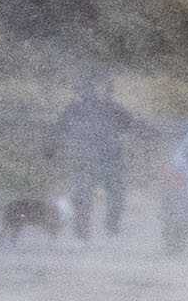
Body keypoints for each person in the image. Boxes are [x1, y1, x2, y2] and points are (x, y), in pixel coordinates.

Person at [53, 75, 139, 239]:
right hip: (92, 160)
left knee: (109, 196)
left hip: (105, 159)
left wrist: (53, 147)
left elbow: (131, 125)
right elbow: (60, 129)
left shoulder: (109, 108)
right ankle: (90, 231)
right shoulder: (78, 109)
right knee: (87, 197)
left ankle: (105, 230)